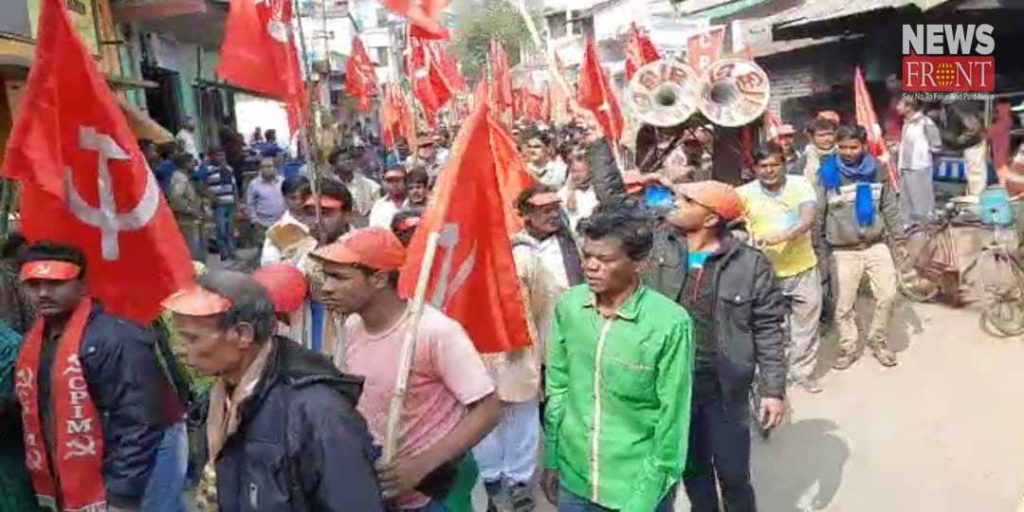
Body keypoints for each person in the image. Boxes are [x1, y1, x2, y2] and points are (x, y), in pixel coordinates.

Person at [312, 228, 501, 510]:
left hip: (438, 492)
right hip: (382, 488)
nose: (327, 287)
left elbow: (489, 410)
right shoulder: (351, 327)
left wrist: (422, 465)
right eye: (326, 276)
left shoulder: (434, 332)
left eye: (339, 277)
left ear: (378, 278)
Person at [163, 271, 383, 511]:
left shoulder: (319, 414)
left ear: (243, 335)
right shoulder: (222, 398)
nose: (179, 350)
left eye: (191, 339)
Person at [15, 242, 187, 512]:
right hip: (81, 478)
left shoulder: (118, 338)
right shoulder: (35, 342)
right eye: (34, 285)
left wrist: (122, 497)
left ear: (82, 284)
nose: (43, 293)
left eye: (55, 283)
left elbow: (140, 422)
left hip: (137, 472)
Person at [542, 207, 693, 512]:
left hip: (635, 487)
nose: (591, 267)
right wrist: (552, 457)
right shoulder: (569, 307)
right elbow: (557, 388)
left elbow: (672, 421)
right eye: (587, 256)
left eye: (606, 260)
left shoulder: (669, 324)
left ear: (638, 263)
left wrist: (643, 499)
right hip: (574, 479)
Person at [816, 125, 904, 369]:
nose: (847, 152)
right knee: (843, 304)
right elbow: (818, 215)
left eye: (853, 147)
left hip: (876, 244)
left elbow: (889, 208)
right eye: (842, 147)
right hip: (843, 250)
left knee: (888, 295)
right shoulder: (827, 174)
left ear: (864, 146)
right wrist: (819, 250)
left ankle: (877, 340)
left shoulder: (877, 169)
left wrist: (899, 239)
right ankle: (848, 346)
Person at [738, 143, 823, 393]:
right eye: (762, 166)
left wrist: (785, 236)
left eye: (774, 164)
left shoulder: (800, 184)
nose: (769, 171)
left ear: (784, 164)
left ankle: (802, 373)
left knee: (806, 325)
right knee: (768, 327)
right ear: (754, 168)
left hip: (803, 268)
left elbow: (807, 218)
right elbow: (734, 226)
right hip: (763, 273)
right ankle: (770, 376)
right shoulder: (742, 194)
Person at [896, 96, 942, 225]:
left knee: (921, 202)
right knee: (905, 201)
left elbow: (936, 145)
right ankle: (908, 229)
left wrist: (924, 155)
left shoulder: (926, 123)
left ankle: (925, 229)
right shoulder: (906, 123)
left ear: (909, 107)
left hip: (919, 167)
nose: (897, 107)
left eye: (900, 104)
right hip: (905, 166)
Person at [261, 176, 313, 266]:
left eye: (304, 197)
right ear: (285, 199)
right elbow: (270, 267)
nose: (299, 201)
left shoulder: (323, 222)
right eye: (293, 198)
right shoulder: (276, 232)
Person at [166, 153, 205, 260]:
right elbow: (175, 197)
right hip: (187, 220)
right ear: (185, 164)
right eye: (192, 162)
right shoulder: (180, 178)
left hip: (189, 219)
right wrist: (190, 210)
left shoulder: (183, 177)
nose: (194, 164)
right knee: (191, 250)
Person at [204, 148, 238, 261]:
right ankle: (224, 253)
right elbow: (203, 185)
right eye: (218, 155)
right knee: (221, 229)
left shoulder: (229, 169)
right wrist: (210, 197)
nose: (221, 158)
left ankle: (232, 252)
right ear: (212, 156)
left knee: (230, 229)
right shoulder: (208, 170)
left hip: (230, 202)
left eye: (223, 155)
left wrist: (236, 201)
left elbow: (234, 186)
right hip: (219, 204)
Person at [329, 148, 381, 221]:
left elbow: (379, 210)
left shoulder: (371, 186)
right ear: (335, 166)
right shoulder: (331, 188)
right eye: (343, 160)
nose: (348, 162)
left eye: (350, 159)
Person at [245, 157, 287, 245]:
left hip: (282, 223)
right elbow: (250, 204)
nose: (266, 169)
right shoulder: (254, 184)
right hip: (263, 225)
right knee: (265, 252)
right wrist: (254, 221)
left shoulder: (282, 181)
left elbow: (287, 198)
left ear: (275, 168)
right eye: (263, 167)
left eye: (269, 166)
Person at [560, 148, 598, 230]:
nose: (576, 176)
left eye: (580, 172)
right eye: (573, 171)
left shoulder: (600, 191)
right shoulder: (562, 194)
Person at [791, 117, 838, 183]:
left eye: (830, 134)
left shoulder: (841, 153)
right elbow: (793, 179)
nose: (826, 139)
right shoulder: (807, 156)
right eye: (821, 135)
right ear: (812, 137)